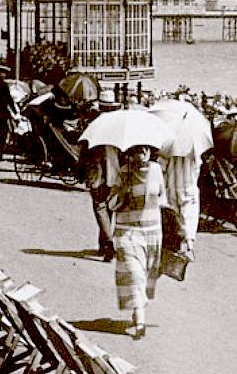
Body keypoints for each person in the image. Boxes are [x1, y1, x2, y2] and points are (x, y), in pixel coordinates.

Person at [108, 145, 168, 340]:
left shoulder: (157, 170)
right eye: (137, 151)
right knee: (134, 274)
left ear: (150, 152)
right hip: (128, 232)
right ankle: (141, 321)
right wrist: (124, 191)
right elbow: (111, 204)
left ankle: (137, 309)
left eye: (145, 151)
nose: (141, 155)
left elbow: (162, 197)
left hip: (151, 232)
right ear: (131, 154)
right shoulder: (123, 172)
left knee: (144, 275)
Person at [159, 152, 202, 257]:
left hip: (171, 189)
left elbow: (162, 169)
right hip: (188, 189)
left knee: (175, 222)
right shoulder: (193, 149)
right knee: (188, 219)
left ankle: (176, 249)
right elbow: (197, 169)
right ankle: (188, 246)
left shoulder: (169, 147)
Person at [82, 143, 120, 261]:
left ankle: (107, 244)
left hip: (97, 176)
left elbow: (83, 156)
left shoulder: (94, 135)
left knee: (100, 209)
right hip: (114, 175)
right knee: (108, 210)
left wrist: (80, 173)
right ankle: (103, 245)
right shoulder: (117, 134)